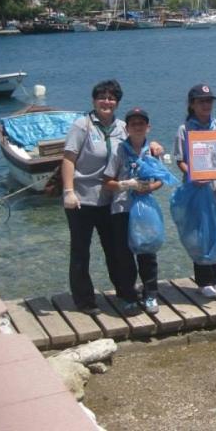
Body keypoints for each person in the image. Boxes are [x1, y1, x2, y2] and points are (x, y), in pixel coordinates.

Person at [62, 80, 161, 315]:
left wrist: (154, 145)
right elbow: (67, 159)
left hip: (112, 200)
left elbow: (136, 146)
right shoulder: (82, 125)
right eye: (102, 97)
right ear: (94, 100)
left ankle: (124, 292)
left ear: (117, 102)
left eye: (112, 98)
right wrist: (68, 191)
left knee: (116, 250)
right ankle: (85, 301)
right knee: (80, 251)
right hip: (82, 199)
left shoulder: (121, 127)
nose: (107, 101)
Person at [103, 108, 163, 315]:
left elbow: (160, 180)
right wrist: (125, 184)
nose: (138, 127)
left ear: (148, 127)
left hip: (146, 209)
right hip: (121, 209)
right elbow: (107, 182)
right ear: (126, 128)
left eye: (142, 123)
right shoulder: (119, 150)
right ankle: (128, 295)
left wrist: (148, 188)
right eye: (133, 124)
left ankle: (151, 295)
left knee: (148, 253)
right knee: (124, 255)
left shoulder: (153, 151)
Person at [173, 83, 216, 298]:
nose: (206, 105)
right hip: (196, 192)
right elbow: (180, 160)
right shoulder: (184, 129)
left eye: (209, 101)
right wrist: (194, 175)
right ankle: (203, 281)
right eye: (201, 101)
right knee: (200, 235)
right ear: (192, 104)